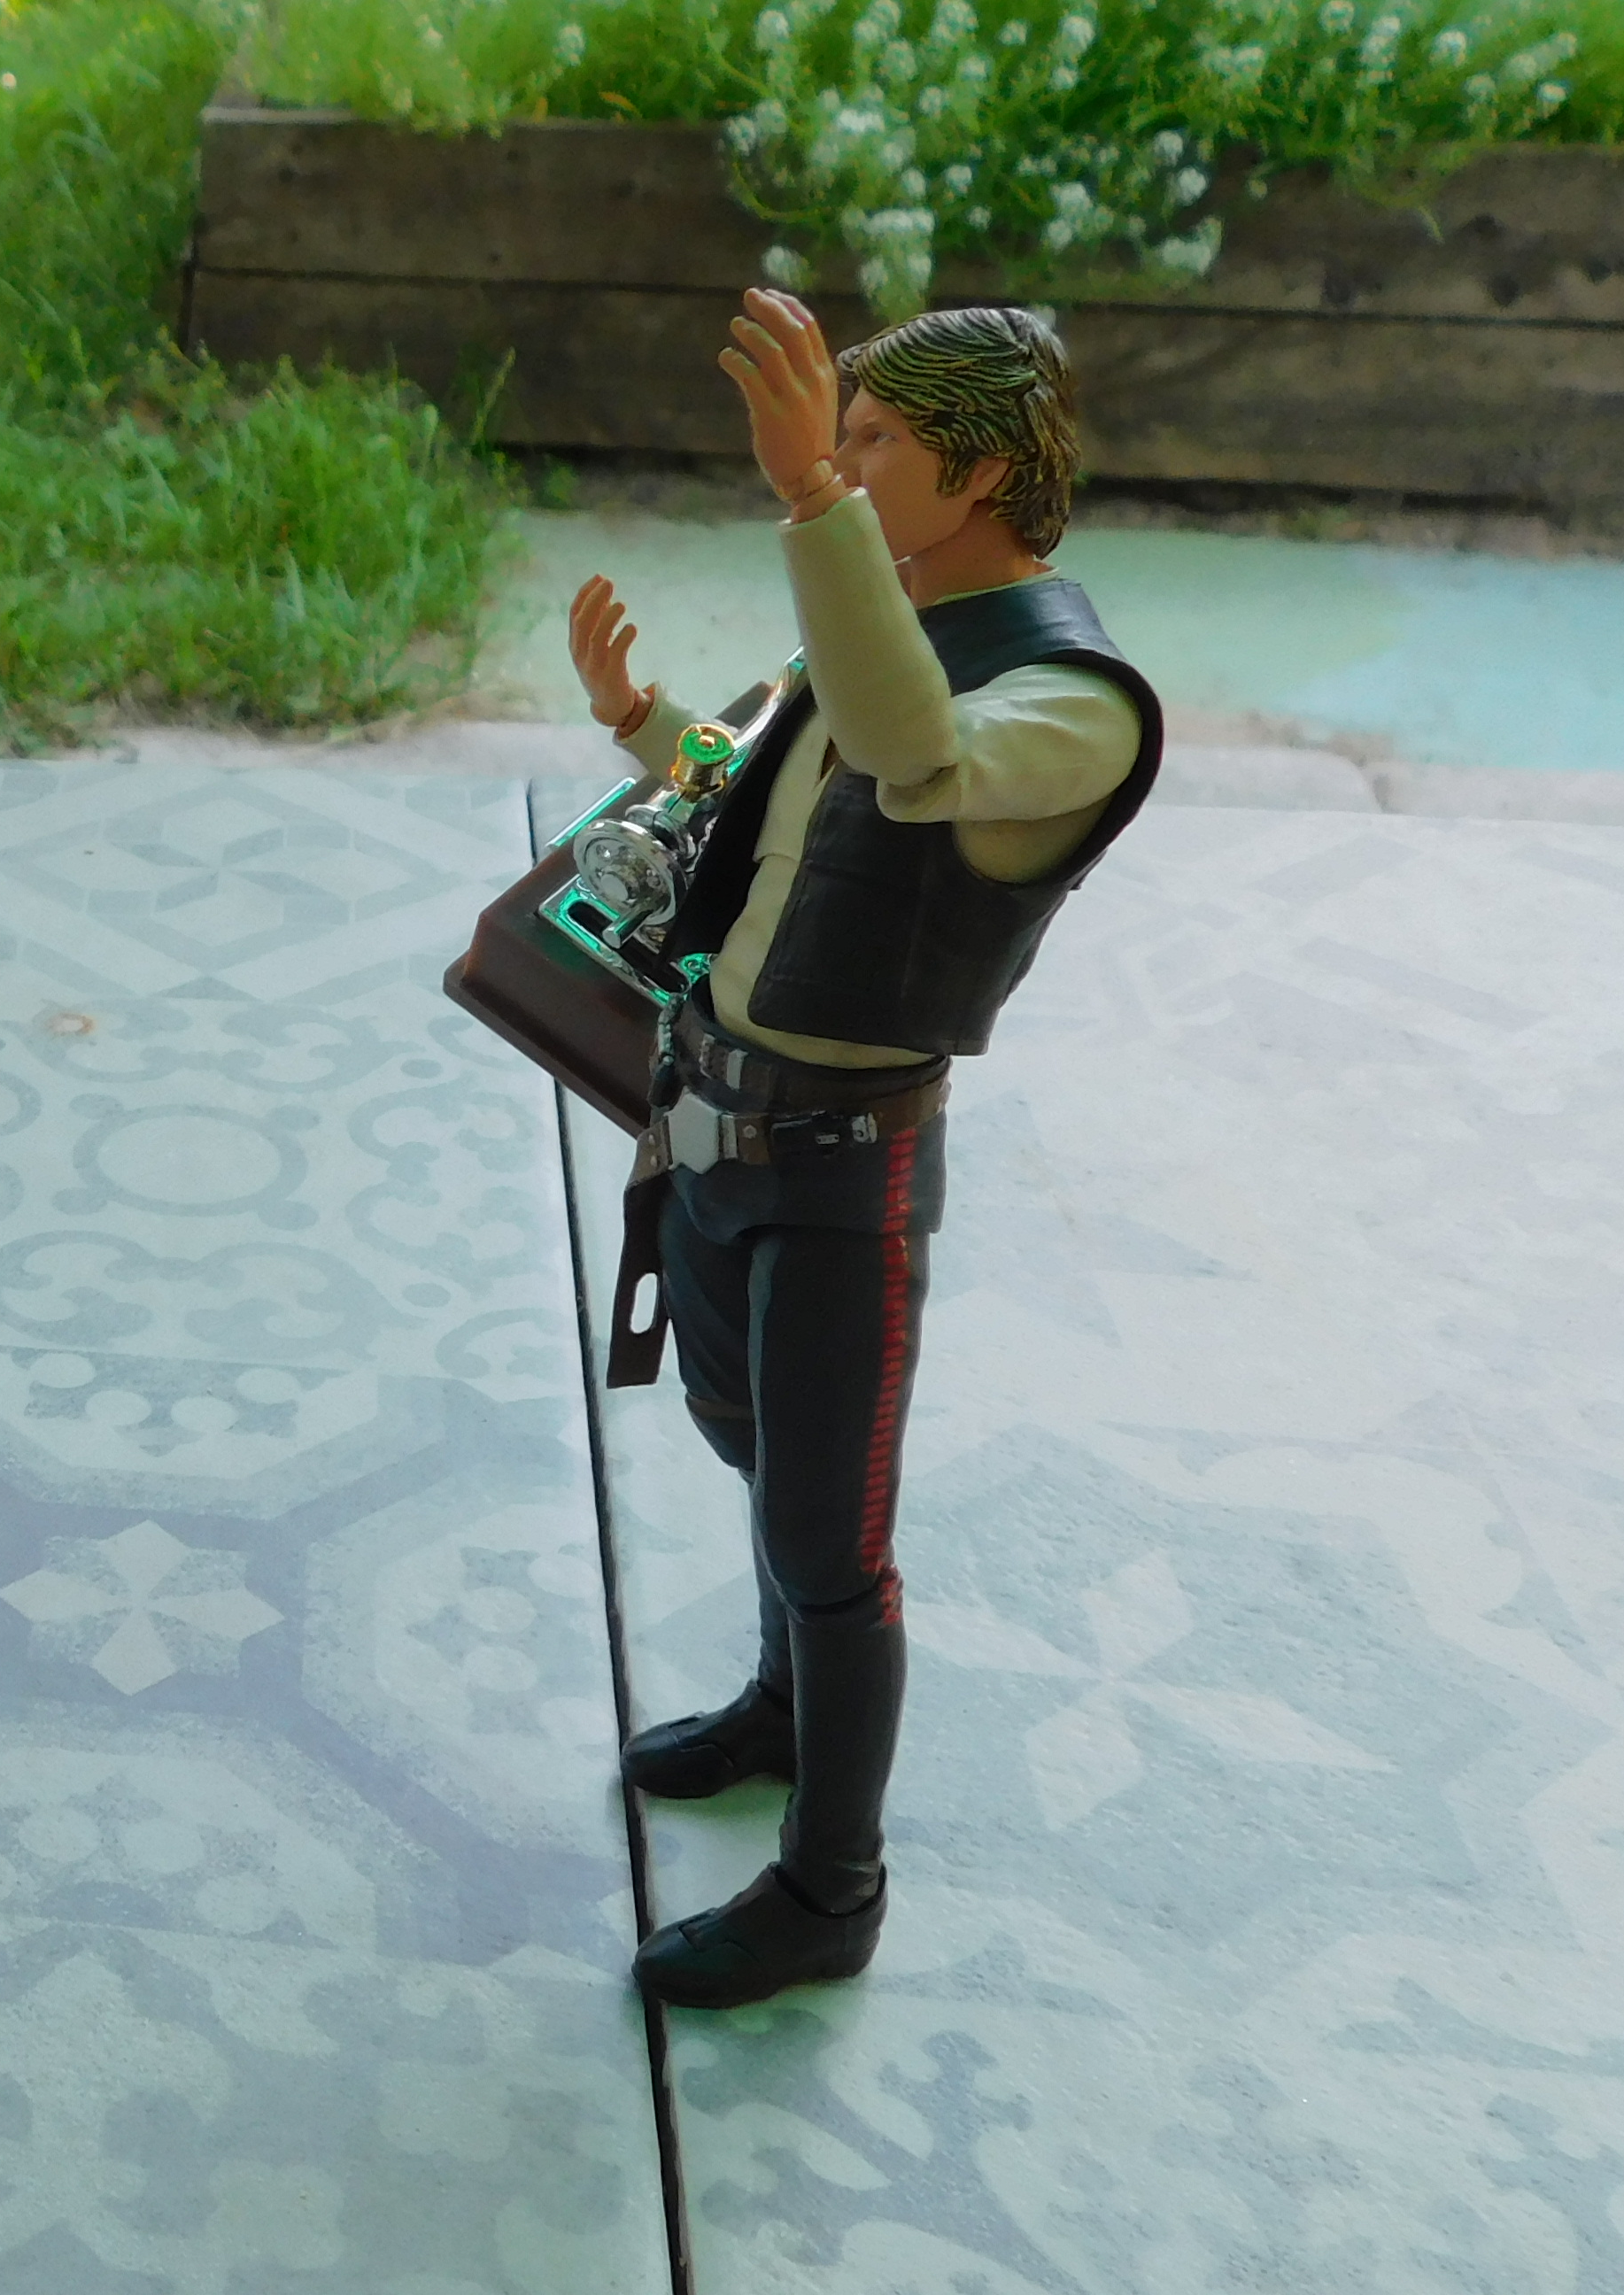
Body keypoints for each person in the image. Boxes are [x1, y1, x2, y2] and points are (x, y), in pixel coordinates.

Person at [566, 292, 1164, 2008]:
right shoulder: (879, 626)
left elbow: (913, 761)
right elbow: (757, 789)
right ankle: (781, 1706)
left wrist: (811, 499)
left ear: (976, 474)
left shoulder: (1073, 702)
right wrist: (640, 721)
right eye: (846, 436)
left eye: (880, 439)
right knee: (745, 1439)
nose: (847, 458)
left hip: (847, 1173)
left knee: (835, 1545)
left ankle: (834, 1888)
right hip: (718, 1127)